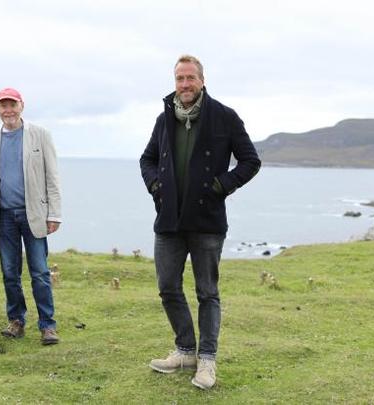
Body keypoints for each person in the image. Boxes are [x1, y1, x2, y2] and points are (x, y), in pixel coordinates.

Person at [140, 55, 261, 389]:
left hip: (207, 220)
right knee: (167, 287)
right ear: (174, 82)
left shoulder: (224, 117)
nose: (185, 85)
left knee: (207, 292)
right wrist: (156, 186)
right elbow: (147, 159)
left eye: (190, 78)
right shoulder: (164, 118)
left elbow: (250, 161)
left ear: (202, 80)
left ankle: (206, 360)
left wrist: (221, 186)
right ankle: (184, 350)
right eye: (180, 78)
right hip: (169, 220)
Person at [0, 88, 62, 345]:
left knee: (39, 271)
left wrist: (55, 214)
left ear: (21, 106)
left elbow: (52, 176)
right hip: (3, 216)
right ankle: (16, 320)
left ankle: (48, 325)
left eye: (12, 105)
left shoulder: (40, 135)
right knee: (9, 272)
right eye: (3, 105)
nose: (8, 110)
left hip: (34, 214)